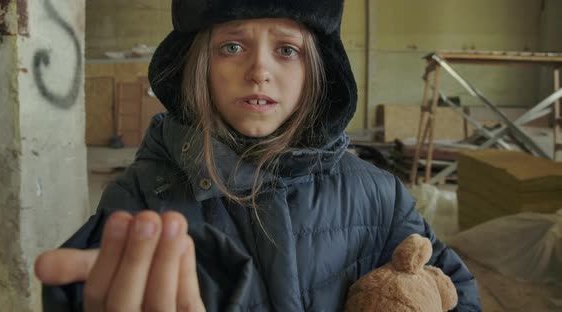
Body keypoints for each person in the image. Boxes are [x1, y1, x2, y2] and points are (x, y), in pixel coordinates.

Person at [35, 0, 482, 311]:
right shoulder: (141, 198)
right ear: (199, 66)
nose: (260, 71)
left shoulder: (378, 194)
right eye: (232, 46)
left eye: (287, 50)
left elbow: (458, 291)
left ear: (316, 72)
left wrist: (420, 296)